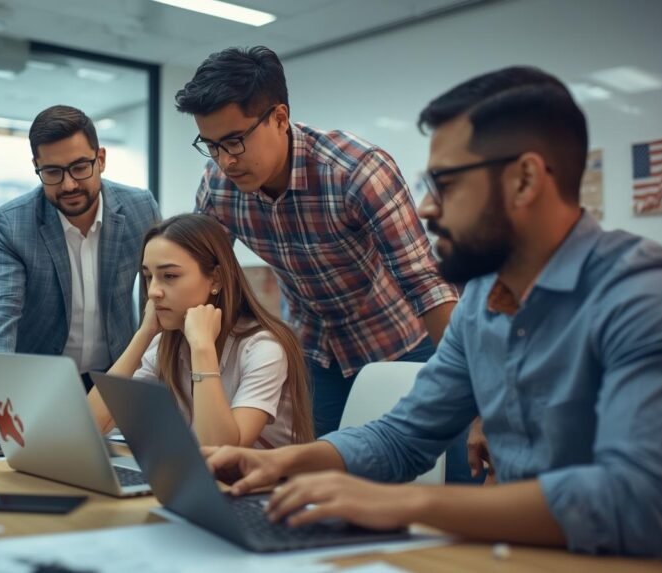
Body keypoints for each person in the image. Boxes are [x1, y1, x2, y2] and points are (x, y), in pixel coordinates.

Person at [202, 67, 662, 558]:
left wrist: (406, 502)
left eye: (445, 183)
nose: (427, 208)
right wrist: (284, 464)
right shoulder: (481, 304)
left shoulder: (641, 295)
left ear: (525, 180)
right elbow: (402, 436)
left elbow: (639, 503)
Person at [175, 46, 459, 438]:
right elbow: (198, 273)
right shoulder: (219, 186)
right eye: (211, 145)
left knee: (443, 470)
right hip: (315, 352)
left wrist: (472, 387)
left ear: (279, 118)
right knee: (322, 476)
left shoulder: (356, 171)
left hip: (401, 343)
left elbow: (425, 283)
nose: (225, 161)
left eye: (235, 141)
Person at [0, 105, 160, 435]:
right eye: (52, 172)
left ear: (101, 159)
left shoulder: (141, 208)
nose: (68, 184)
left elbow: (159, 295)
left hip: (116, 378)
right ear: (36, 168)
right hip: (40, 387)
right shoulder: (12, 223)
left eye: (80, 167)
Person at [88, 213, 314, 448]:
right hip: (201, 479)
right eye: (148, 277)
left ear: (215, 279)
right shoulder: (163, 344)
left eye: (170, 276)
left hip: (266, 483)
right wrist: (143, 336)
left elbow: (222, 451)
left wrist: (202, 347)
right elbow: (95, 425)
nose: (154, 291)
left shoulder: (264, 348)